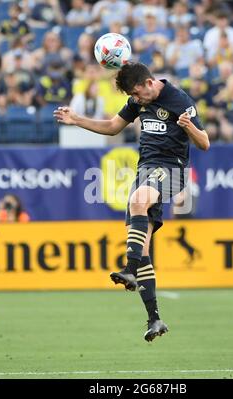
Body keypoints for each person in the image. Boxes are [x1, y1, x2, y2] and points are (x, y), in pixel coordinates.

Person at [53, 62, 210, 342]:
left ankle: (129, 269)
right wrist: (77, 120)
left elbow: (205, 143)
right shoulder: (137, 99)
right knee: (143, 246)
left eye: (138, 93)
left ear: (150, 83)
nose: (136, 99)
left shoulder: (179, 100)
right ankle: (155, 319)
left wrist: (189, 128)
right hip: (146, 172)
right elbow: (113, 127)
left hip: (172, 170)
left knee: (137, 200)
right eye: (132, 96)